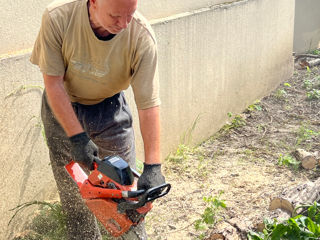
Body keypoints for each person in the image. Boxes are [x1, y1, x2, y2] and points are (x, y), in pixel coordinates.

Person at [30, 0, 166, 239]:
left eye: (130, 14)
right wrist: (77, 136)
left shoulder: (141, 37)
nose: (124, 24)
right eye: (115, 16)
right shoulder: (58, 17)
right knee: (75, 195)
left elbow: (148, 105)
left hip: (109, 110)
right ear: (93, 2)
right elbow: (53, 83)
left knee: (125, 197)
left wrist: (154, 166)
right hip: (60, 109)